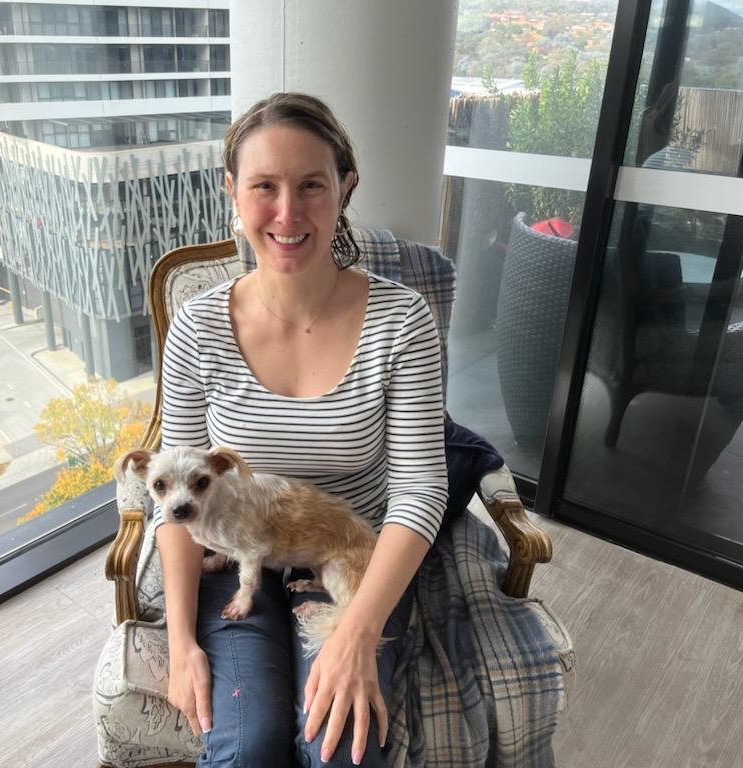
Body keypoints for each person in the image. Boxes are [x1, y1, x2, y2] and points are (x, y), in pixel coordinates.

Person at [154, 92, 449, 768]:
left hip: (350, 552)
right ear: (233, 193)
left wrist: (358, 633)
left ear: (344, 188)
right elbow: (173, 494)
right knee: (244, 747)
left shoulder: (403, 322)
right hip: (237, 557)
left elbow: (419, 488)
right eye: (264, 187)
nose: (287, 215)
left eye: (311, 186)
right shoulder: (198, 329)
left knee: (340, 749)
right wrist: (180, 645)